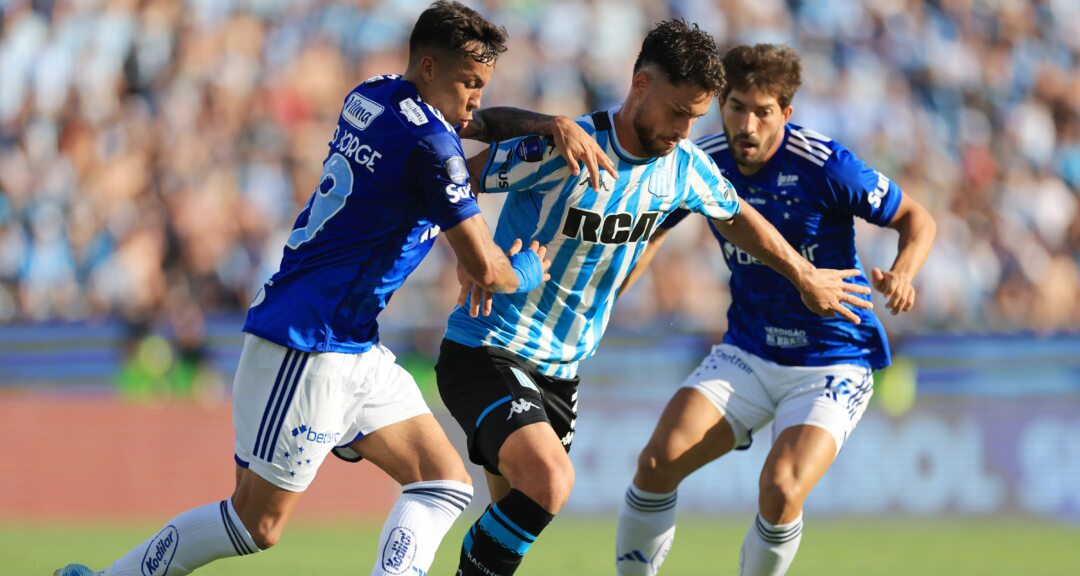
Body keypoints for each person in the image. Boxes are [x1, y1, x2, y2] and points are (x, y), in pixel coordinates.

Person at [52, 2, 609, 575]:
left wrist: (549, 124)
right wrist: (528, 268)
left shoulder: (372, 93)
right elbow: (489, 269)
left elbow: (476, 128)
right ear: (428, 67)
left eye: (482, 85)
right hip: (308, 342)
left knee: (442, 480)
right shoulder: (433, 150)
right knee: (255, 523)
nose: (475, 98)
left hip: (350, 342)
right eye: (469, 83)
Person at [436, 22, 875, 576]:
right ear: (640, 84)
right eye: (676, 112)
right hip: (490, 346)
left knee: (512, 522)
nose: (683, 129)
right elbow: (448, 182)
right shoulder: (564, 149)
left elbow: (737, 216)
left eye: (695, 118)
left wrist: (803, 275)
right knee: (550, 482)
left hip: (562, 370)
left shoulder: (684, 168)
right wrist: (478, 257)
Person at [613, 43, 937, 576]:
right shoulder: (703, 162)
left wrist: (903, 273)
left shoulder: (827, 167)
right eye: (736, 106)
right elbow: (652, 234)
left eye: (762, 111)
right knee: (654, 464)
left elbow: (916, 218)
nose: (747, 124)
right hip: (748, 352)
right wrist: (611, 295)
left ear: (785, 113)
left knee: (781, 487)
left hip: (831, 359)